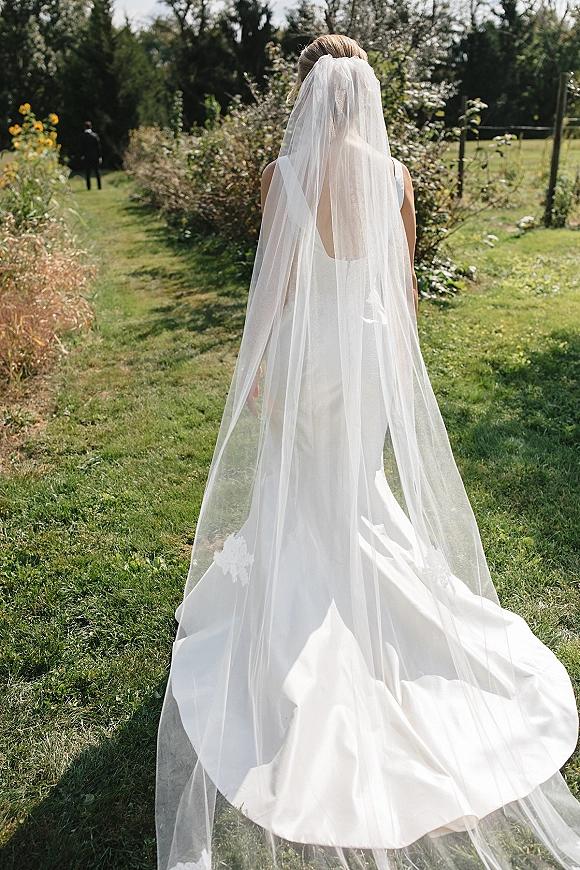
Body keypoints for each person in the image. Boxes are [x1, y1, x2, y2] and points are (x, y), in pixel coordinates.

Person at [156, 35, 580, 870]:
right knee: (354, 489)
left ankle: (300, 622)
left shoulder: (291, 177)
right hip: (371, 353)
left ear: (313, 94)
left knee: (302, 488)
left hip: (310, 357)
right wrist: (392, 370)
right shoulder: (394, 177)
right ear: (362, 96)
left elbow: (271, 285)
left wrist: (258, 375)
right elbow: (404, 285)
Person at [80, 121, 102, 190]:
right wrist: (99, 156)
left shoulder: (82, 137)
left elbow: (81, 147)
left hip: (86, 156)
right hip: (95, 156)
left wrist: (82, 155)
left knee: (88, 173)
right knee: (97, 172)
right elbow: (98, 147)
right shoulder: (95, 136)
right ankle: (99, 186)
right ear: (91, 127)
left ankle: (89, 187)